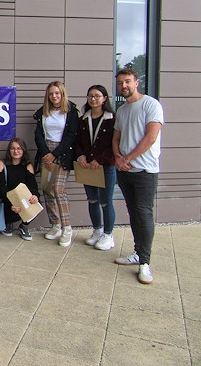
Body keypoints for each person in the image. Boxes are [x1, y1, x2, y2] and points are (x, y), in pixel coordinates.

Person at [112, 68, 164, 285]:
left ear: (136, 82)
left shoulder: (151, 105)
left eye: (127, 82)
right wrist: (117, 157)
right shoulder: (123, 110)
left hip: (144, 171)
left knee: (144, 214)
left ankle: (145, 263)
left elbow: (151, 137)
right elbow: (116, 137)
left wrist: (128, 158)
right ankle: (137, 252)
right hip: (125, 172)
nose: (124, 86)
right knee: (133, 213)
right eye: (120, 83)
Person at [34, 81, 79, 247]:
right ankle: (55, 225)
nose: (54, 96)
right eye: (51, 93)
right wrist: (46, 153)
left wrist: (54, 154)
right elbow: (38, 134)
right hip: (46, 153)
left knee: (58, 189)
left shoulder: (71, 111)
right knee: (47, 189)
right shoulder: (43, 112)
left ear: (62, 94)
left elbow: (72, 135)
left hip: (62, 153)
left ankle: (67, 227)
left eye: (57, 93)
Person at [75, 84, 117, 251]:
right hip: (87, 166)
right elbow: (77, 142)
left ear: (104, 98)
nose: (93, 99)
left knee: (106, 202)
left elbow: (115, 144)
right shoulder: (83, 119)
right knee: (92, 200)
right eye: (90, 96)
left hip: (105, 166)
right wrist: (80, 156)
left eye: (97, 96)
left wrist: (99, 159)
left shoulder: (112, 119)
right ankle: (97, 231)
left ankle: (108, 234)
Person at [0, 138, 40, 241]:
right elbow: (0, 188)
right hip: (7, 199)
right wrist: (12, 203)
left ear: (24, 150)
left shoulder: (27, 165)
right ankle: (7, 222)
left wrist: (35, 196)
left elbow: (32, 186)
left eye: (19, 148)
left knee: (36, 203)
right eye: (13, 148)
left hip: (22, 200)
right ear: (9, 151)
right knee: (7, 204)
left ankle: (24, 226)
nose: (16, 151)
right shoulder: (2, 164)